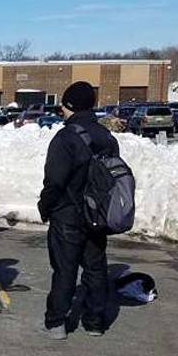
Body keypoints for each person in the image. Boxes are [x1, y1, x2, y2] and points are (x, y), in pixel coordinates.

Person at [38, 81, 119, 340]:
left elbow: (54, 180)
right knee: (95, 268)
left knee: (65, 269)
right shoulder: (106, 137)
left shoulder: (65, 138)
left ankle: (57, 322)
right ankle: (95, 321)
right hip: (98, 214)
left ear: (68, 105)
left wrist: (45, 206)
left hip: (68, 213)